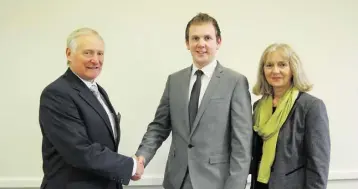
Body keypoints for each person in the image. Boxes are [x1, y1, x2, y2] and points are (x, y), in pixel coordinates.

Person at [133, 13, 253, 189]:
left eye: (207, 38)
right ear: (187, 43)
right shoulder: (174, 81)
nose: (201, 44)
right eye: (195, 38)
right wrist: (141, 157)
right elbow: (159, 127)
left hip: (215, 183)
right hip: (176, 181)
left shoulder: (235, 82)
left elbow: (242, 144)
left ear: (218, 41)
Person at [38, 27, 144, 189]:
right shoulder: (57, 93)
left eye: (100, 53)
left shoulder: (98, 90)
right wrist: (131, 166)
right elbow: (79, 150)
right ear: (68, 54)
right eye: (88, 53)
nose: (95, 60)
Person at [249, 43, 331, 189]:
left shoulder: (311, 107)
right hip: (260, 185)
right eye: (269, 65)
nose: (275, 71)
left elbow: (318, 164)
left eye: (282, 65)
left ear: (293, 69)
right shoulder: (258, 107)